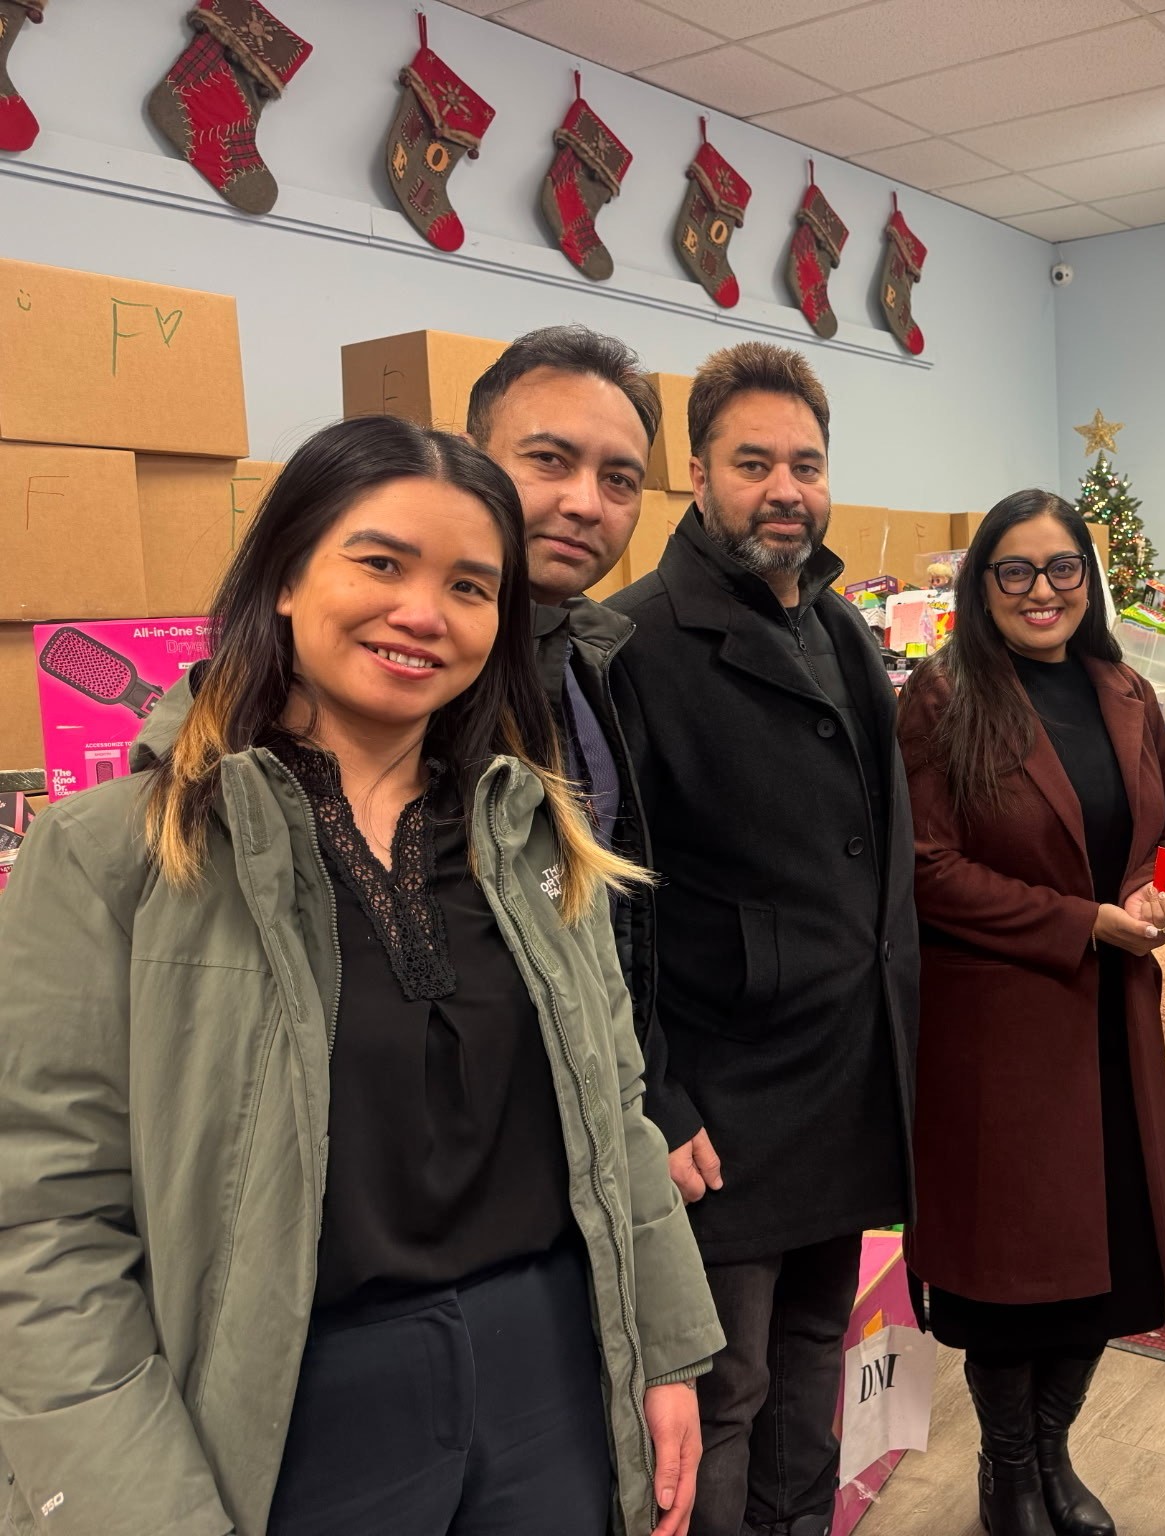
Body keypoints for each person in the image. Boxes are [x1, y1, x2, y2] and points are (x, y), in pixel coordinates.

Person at [0, 415, 723, 1536]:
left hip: (549, 1381)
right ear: (286, 577)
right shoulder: (117, 856)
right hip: (280, 1411)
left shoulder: (537, 836)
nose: (425, 613)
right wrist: (130, 1503)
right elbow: (45, 1221)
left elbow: (612, 1111)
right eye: (382, 563)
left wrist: (664, 1351)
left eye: (471, 587)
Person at [608, 342, 918, 1536]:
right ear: (696, 475)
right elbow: (612, 903)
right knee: (723, 1390)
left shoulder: (839, 628)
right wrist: (657, 1094)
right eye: (753, 464)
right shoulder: (633, 644)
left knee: (812, 1353)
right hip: (721, 1096)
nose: (784, 489)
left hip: (839, 1073)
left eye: (806, 463)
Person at [896, 490, 1165, 1536]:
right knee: (1011, 1271)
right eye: (1016, 570)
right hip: (1001, 1029)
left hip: (1114, 1022)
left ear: (1088, 579)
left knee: (1108, 1260)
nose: (1042, 590)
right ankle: (1008, 1468)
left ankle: (1051, 1453)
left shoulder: (1126, 690)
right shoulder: (943, 695)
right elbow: (925, 866)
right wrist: (1080, 922)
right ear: (982, 583)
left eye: (1063, 568)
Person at [469, 323, 665, 1100]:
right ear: (470, 457)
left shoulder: (598, 660)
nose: (585, 504)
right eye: (549, 459)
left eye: (619, 479)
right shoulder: (405, 673)